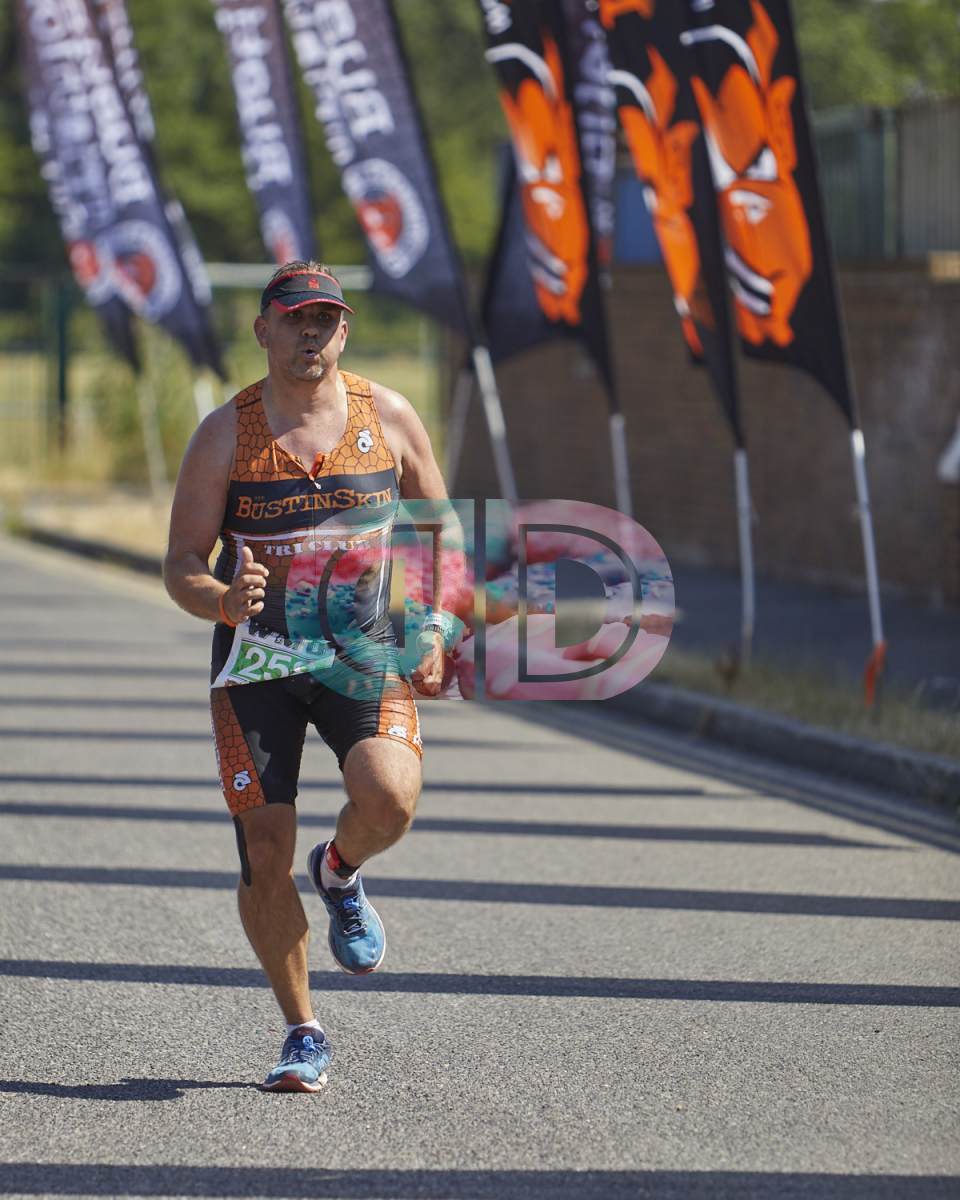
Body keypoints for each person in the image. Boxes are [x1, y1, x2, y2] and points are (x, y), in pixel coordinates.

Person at [164, 261, 458, 1092]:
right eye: (294, 319)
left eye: (324, 320)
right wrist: (222, 599)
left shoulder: (387, 416)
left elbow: (439, 528)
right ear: (263, 329)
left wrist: (435, 622)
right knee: (264, 848)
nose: (310, 335)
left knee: (390, 797)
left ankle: (341, 870)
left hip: (357, 650)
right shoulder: (224, 434)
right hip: (256, 662)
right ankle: (303, 1031)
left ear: (344, 330)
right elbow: (181, 563)